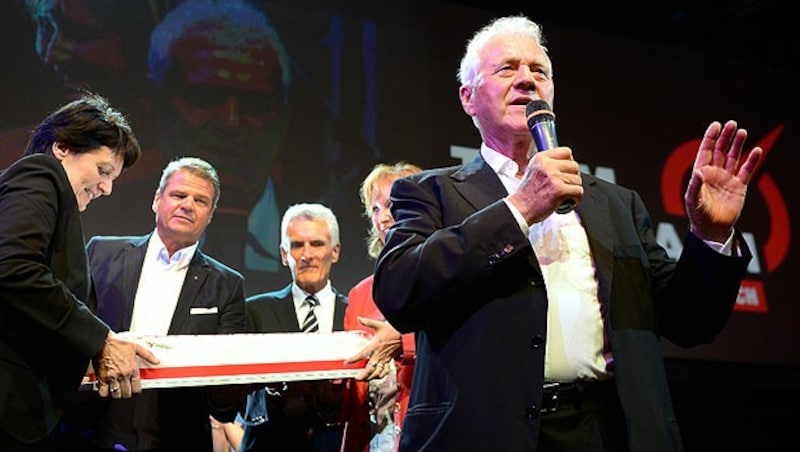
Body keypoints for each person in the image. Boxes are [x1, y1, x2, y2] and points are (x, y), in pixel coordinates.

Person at [372, 15, 763, 452]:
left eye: (539, 71)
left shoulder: (617, 204)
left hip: (606, 431)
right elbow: (399, 291)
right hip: (485, 433)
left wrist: (710, 237)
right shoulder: (430, 192)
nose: (526, 80)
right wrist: (520, 208)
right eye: (508, 69)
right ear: (468, 97)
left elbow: (690, 322)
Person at [0, 92, 159, 451]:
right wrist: (100, 338)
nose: (107, 188)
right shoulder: (40, 175)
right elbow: (13, 267)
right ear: (62, 148)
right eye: (103, 171)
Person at [59, 157, 247, 451]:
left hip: (178, 436)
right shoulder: (100, 252)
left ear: (210, 215)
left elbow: (224, 401)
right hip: (90, 429)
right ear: (157, 200)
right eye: (178, 195)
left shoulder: (228, 284)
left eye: (200, 200)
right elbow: (68, 326)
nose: (187, 205)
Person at [240, 203, 348, 452]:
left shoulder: (355, 314)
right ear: (284, 254)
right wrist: (275, 390)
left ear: (335, 251)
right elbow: (238, 398)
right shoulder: (255, 311)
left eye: (317, 244)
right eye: (297, 245)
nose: (307, 254)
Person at [340, 162, 423, 452]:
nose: (383, 218)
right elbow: (352, 393)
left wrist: (402, 341)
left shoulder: (450, 277)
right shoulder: (361, 293)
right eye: (375, 209)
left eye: (392, 205)